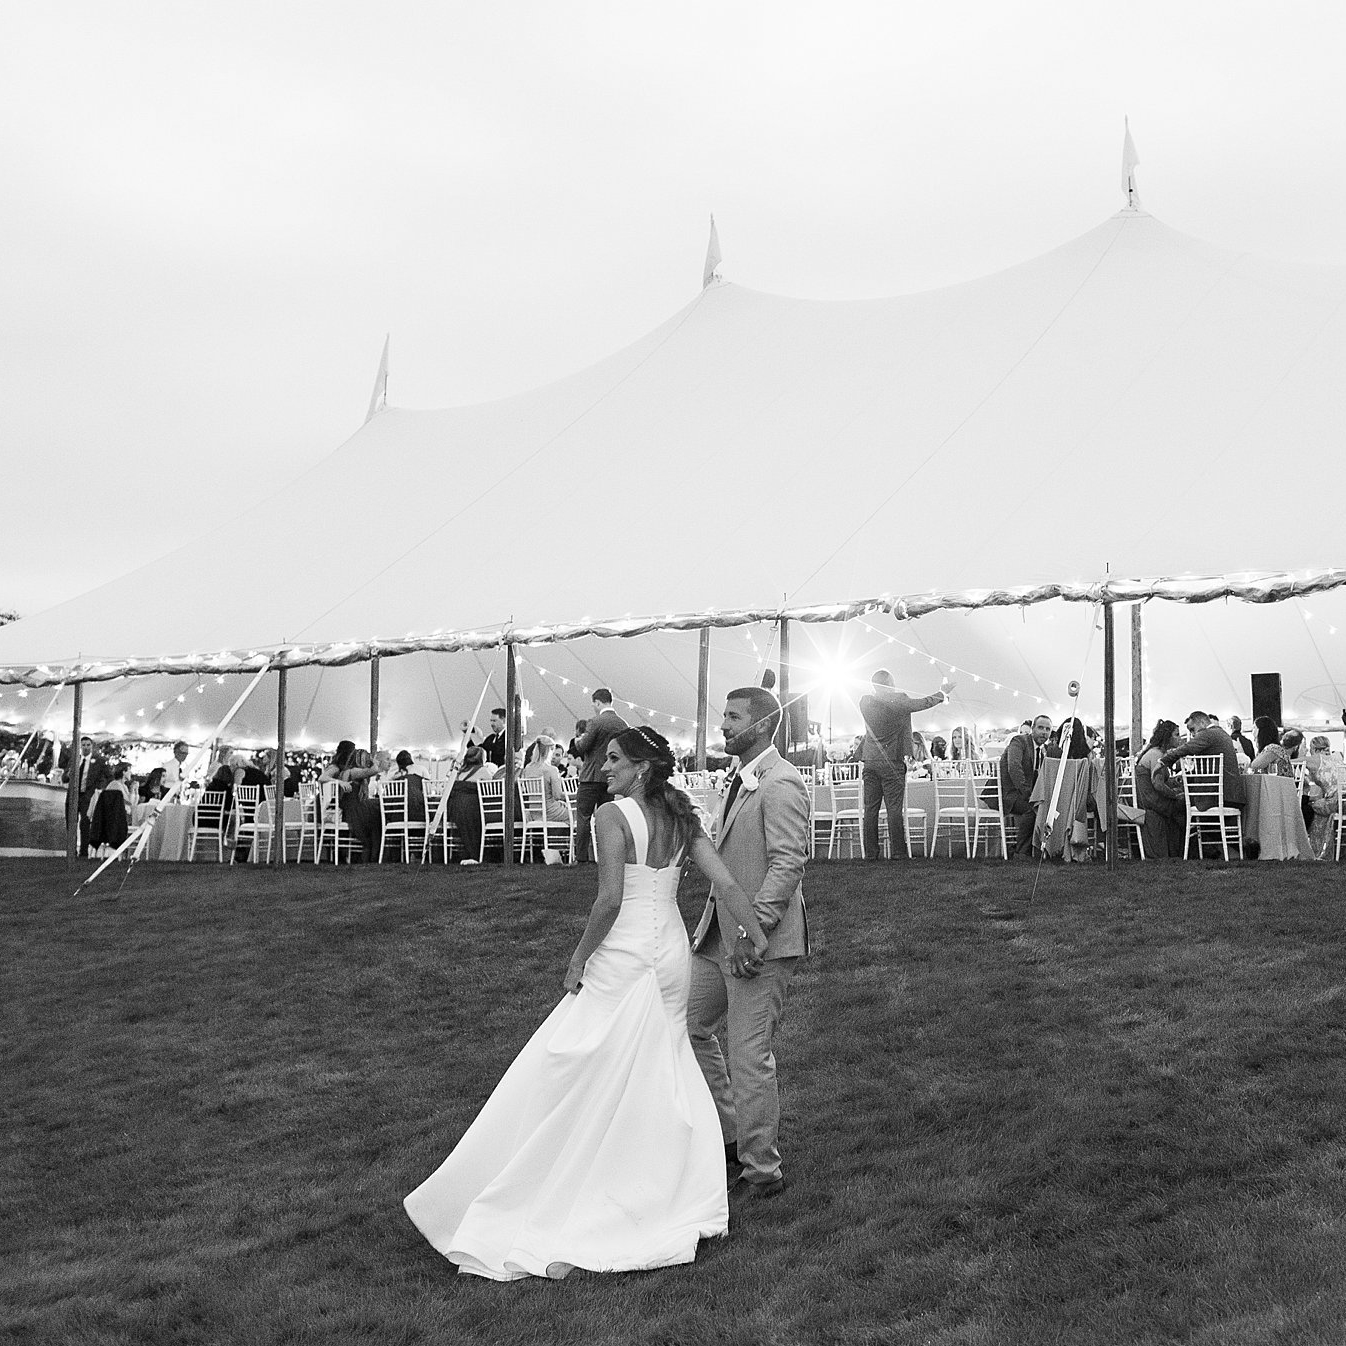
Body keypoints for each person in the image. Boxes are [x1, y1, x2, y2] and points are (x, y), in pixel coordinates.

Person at [404, 726, 768, 1280]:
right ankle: (659, 1181)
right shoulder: (683, 817)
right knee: (655, 1062)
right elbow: (725, 881)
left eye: (617, 760)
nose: (606, 769)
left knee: (571, 1057)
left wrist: (578, 958)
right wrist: (755, 934)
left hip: (625, 950)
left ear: (641, 768)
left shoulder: (613, 816)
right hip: (668, 951)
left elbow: (610, 898)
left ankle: (578, 1178)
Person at [687, 686, 810, 1199]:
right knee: (688, 1025)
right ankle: (733, 1132)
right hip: (716, 936)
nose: (723, 726)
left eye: (732, 718)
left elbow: (788, 863)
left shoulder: (782, 782)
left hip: (759, 941)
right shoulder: (741, 780)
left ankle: (763, 1170)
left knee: (749, 1054)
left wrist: (751, 933)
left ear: (760, 726)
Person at [858, 670, 951, 861]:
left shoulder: (865, 702)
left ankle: (871, 854)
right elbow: (920, 704)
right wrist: (941, 694)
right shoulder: (897, 701)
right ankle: (898, 852)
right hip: (891, 760)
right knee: (893, 808)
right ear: (890, 683)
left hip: (870, 760)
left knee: (870, 809)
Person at [571, 689, 629, 862]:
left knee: (583, 816)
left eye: (593, 704)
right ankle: (606, 857)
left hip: (590, 777)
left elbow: (583, 747)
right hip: (610, 777)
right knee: (606, 820)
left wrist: (577, 741)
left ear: (597, 702)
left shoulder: (595, 722)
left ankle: (581, 858)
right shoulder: (622, 724)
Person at [1160, 710, 1247, 809]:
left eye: (1193, 729)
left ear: (1202, 722)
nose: (1192, 734)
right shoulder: (1222, 733)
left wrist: (1163, 761)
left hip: (1219, 797)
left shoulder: (1208, 734)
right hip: (1232, 795)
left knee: (1174, 804)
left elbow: (1187, 748)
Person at [998, 714, 1052, 858]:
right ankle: (1021, 853)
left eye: (1048, 729)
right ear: (1032, 729)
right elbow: (1014, 768)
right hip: (1008, 795)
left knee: (1046, 807)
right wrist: (1029, 794)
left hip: (1024, 795)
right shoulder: (1019, 741)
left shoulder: (1043, 751)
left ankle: (1040, 850)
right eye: (1040, 727)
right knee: (1033, 809)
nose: (1044, 732)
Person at [321, 741, 385, 862]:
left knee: (375, 812)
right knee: (377, 817)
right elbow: (374, 770)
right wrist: (374, 763)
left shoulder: (346, 771)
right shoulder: (353, 771)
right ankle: (375, 854)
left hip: (348, 807)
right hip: (353, 809)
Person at [1134, 719, 1186, 858]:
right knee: (1183, 805)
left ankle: (1178, 851)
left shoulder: (1154, 752)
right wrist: (1175, 795)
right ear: (1167, 737)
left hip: (1148, 797)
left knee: (1181, 804)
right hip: (1150, 800)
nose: (1179, 738)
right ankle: (1182, 850)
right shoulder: (1157, 755)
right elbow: (1157, 784)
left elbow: (1160, 780)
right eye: (1177, 735)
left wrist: (1174, 782)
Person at [446, 745, 496, 862]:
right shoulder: (483, 771)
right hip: (472, 808)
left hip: (455, 808)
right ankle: (480, 853)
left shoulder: (459, 772)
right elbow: (491, 791)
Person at [1304, 736, 1343, 859]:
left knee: (1312, 806)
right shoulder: (1338, 756)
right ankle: (1328, 849)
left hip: (1334, 801)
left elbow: (1291, 762)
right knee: (1319, 803)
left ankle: (1317, 850)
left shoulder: (1315, 759)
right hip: (1343, 799)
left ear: (1314, 749)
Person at [520, 735, 570, 826]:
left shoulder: (528, 768)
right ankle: (572, 839)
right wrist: (575, 795)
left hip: (534, 813)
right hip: (550, 812)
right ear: (549, 751)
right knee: (577, 813)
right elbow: (558, 795)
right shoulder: (551, 770)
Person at [392, 750, 427, 823]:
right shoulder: (422, 769)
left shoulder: (397, 775)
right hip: (421, 813)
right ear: (411, 759)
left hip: (400, 815)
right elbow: (428, 791)